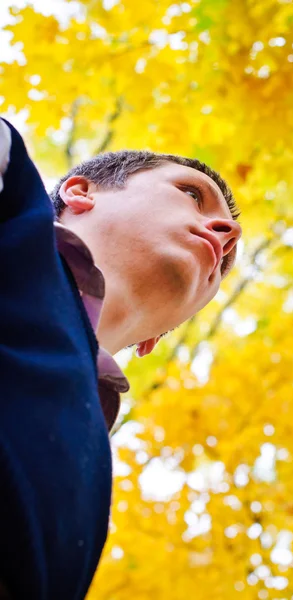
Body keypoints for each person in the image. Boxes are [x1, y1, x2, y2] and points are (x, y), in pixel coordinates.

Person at [0, 117, 241, 599]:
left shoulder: (93, 463)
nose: (228, 232)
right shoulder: (11, 195)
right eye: (192, 193)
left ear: (156, 337)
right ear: (79, 192)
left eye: (229, 260)